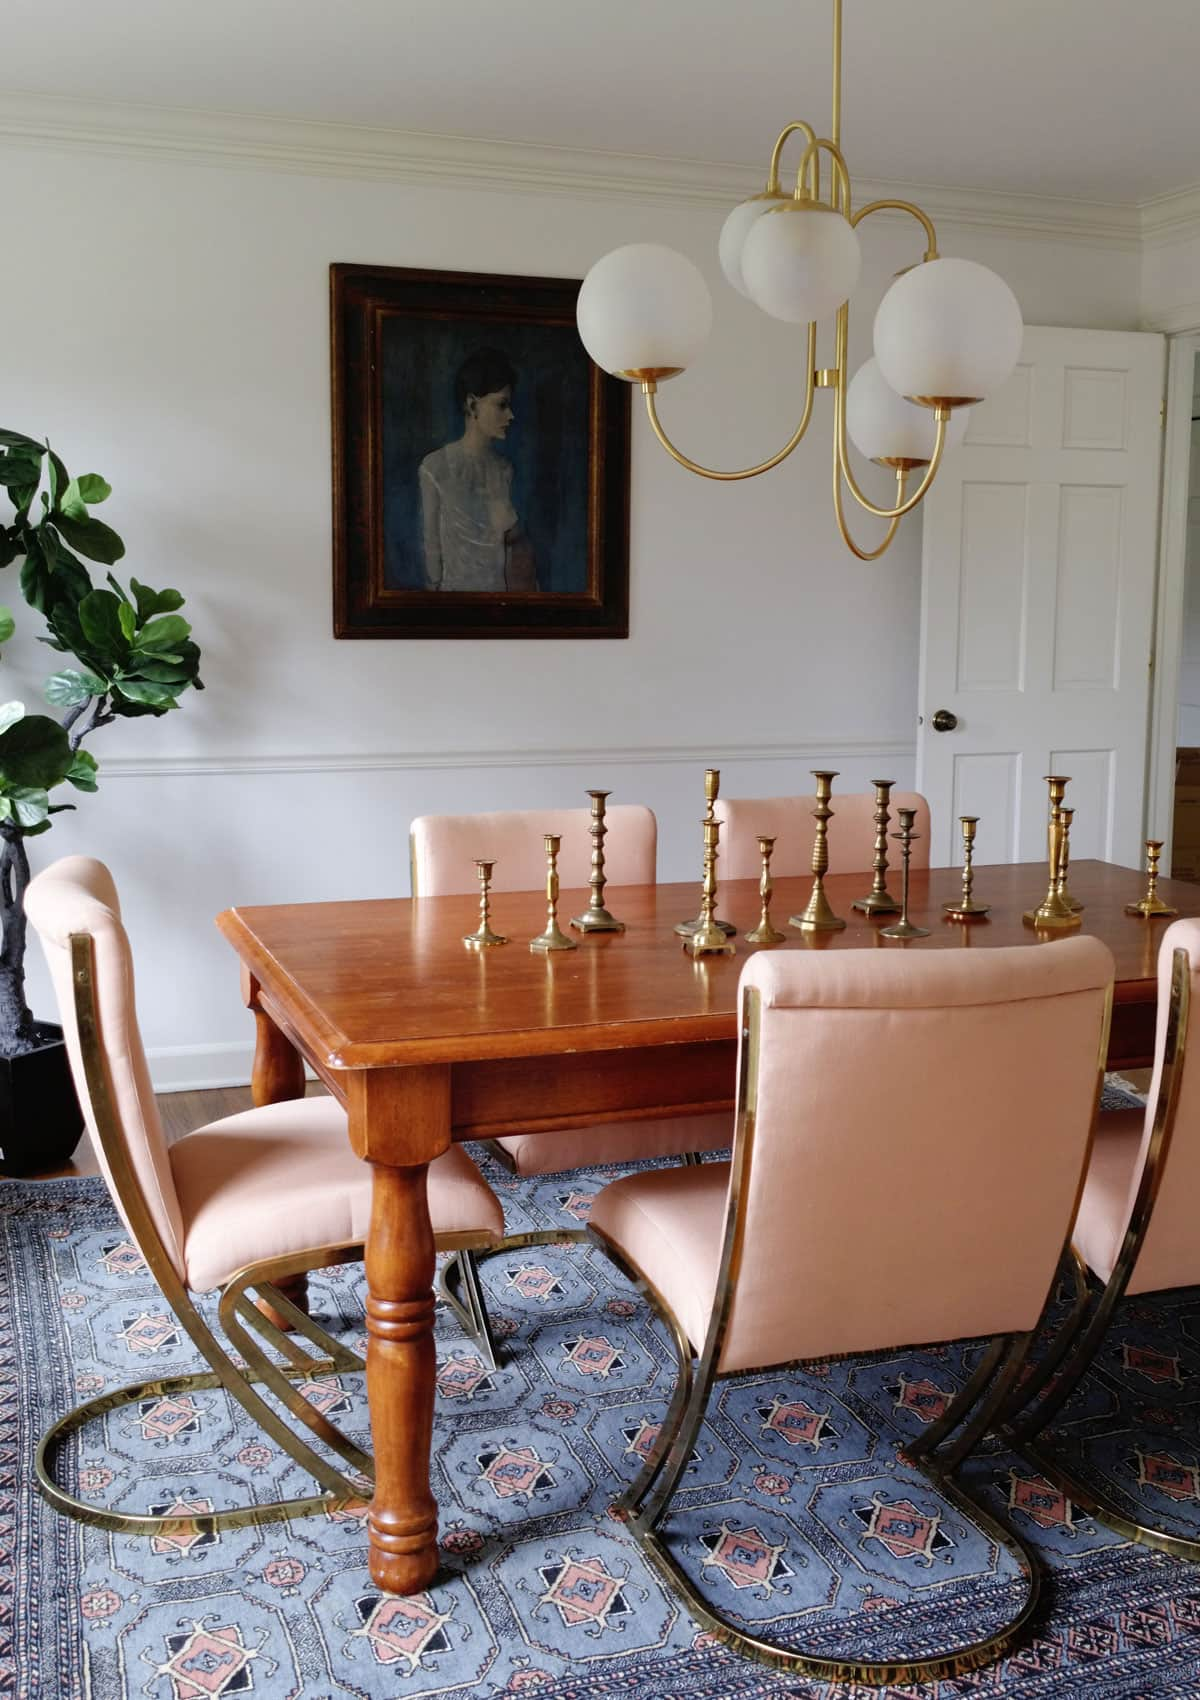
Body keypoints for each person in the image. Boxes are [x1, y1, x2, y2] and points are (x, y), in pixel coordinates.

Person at [419, 348, 536, 592]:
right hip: (453, 605)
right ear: (473, 405)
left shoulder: (504, 470)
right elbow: (432, 554)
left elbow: (509, 549)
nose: (511, 415)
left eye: (509, 405)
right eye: (501, 405)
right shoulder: (434, 467)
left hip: (500, 603)